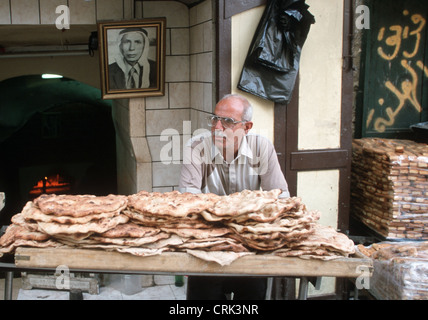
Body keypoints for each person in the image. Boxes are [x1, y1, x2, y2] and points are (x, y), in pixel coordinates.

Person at [179, 93, 290, 300]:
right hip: (208, 246)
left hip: (251, 244)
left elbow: (281, 198)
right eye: (215, 119)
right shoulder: (196, 147)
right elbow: (188, 199)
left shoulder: (261, 148)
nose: (217, 128)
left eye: (228, 122)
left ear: (247, 127)